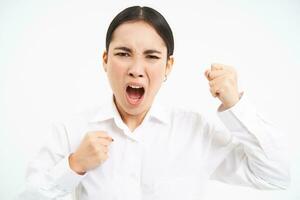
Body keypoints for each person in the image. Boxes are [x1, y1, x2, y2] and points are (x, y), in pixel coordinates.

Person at [16, 5, 290, 200]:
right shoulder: (73, 130)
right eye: (123, 53)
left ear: (168, 65)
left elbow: (276, 175)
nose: (136, 69)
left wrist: (235, 105)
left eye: (151, 56)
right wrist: (74, 165)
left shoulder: (194, 132)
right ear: (105, 60)